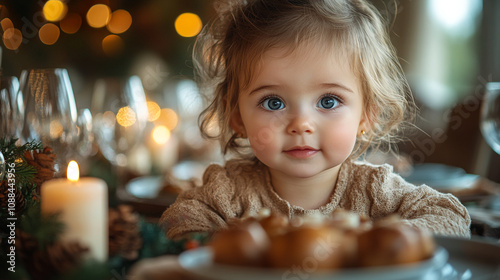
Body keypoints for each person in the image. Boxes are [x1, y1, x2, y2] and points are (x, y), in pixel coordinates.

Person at [159, 0, 470, 239]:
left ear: (367, 114)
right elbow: (179, 221)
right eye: (273, 102)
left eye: (328, 101)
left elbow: (450, 215)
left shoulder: (373, 189)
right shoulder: (229, 193)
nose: (301, 124)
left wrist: (375, 242)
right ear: (236, 116)